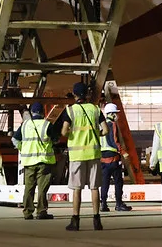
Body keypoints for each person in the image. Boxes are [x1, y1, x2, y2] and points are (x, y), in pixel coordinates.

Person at [60, 82, 108, 231]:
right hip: (93, 153)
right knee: (94, 187)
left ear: (74, 95)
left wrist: (74, 135)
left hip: (77, 155)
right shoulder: (95, 109)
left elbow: (63, 132)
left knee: (77, 188)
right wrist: (94, 134)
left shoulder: (70, 110)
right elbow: (105, 131)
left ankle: (75, 220)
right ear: (86, 95)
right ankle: (96, 220)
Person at [13, 101, 56, 220]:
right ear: (43, 112)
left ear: (32, 113)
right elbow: (56, 140)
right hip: (44, 162)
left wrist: (23, 148)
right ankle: (41, 211)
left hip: (29, 162)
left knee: (29, 188)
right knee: (42, 188)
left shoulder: (25, 125)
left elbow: (15, 140)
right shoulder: (47, 125)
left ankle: (27, 212)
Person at [99, 103, 132, 213]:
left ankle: (103, 203)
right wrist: (123, 153)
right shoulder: (112, 124)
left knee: (105, 181)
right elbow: (114, 141)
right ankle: (119, 204)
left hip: (103, 157)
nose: (117, 116)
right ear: (112, 114)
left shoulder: (101, 125)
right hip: (113, 157)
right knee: (118, 181)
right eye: (116, 113)